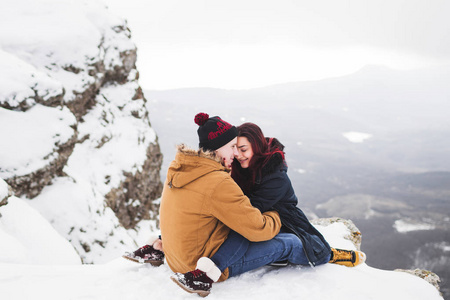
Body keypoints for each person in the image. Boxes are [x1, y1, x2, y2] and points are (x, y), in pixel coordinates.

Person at [170, 122, 366, 296]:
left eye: (243, 149)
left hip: (283, 220)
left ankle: (335, 254)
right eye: (235, 149)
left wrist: (255, 213)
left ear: (256, 147)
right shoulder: (237, 167)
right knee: (243, 226)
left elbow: (248, 218)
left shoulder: (276, 177)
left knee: (305, 246)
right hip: (257, 220)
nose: (238, 154)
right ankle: (206, 271)